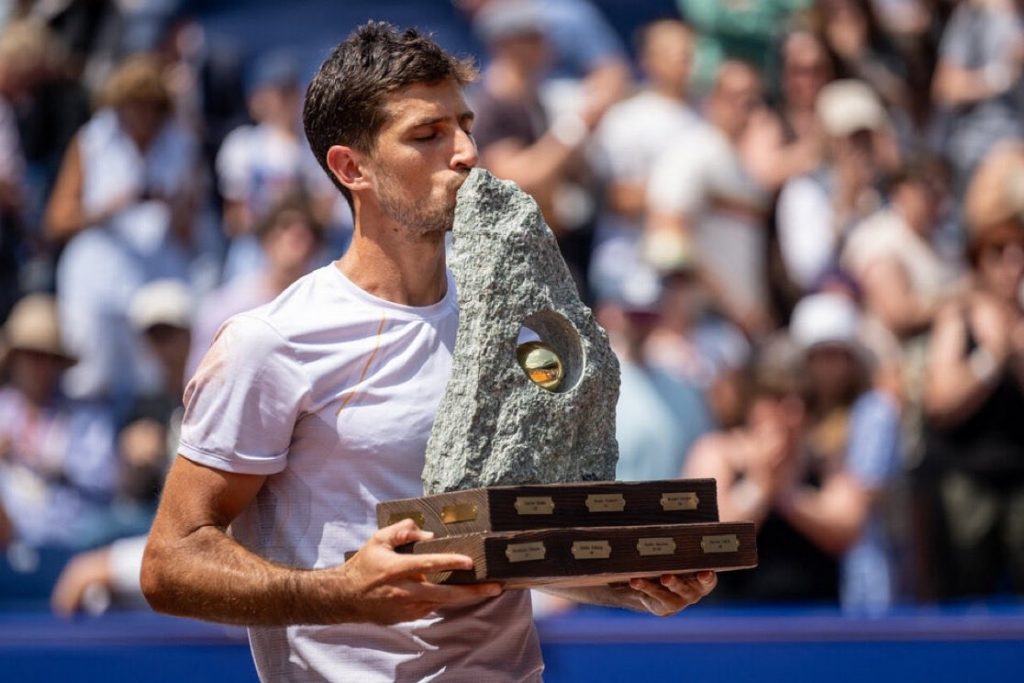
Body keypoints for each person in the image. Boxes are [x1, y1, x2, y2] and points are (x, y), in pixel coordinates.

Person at [140, 22, 716, 682]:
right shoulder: (271, 342)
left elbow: (500, 550)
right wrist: (340, 591)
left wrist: (626, 580)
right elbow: (168, 562)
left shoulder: (515, 322)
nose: (466, 151)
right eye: (427, 135)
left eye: (464, 124)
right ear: (350, 167)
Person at [921, 142, 1024, 599]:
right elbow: (939, 402)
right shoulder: (958, 316)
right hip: (969, 485)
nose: (1011, 265)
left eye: (1019, 252)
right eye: (998, 252)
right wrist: (990, 359)